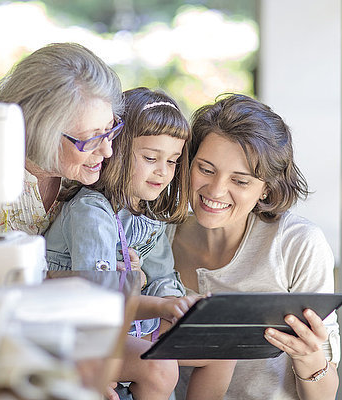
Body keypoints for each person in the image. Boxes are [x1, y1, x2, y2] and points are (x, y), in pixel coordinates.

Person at [45, 87, 235, 400]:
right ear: (116, 150)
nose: (163, 172)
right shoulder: (91, 212)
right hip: (77, 333)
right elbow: (100, 300)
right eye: (150, 158)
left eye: (173, 161)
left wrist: (176, 308)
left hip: (129, 325)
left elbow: (162, 277)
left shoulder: (150, 214)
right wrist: (161, 305)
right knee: (159, 369)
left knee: (221, 347)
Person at [169, 94, 340, 400]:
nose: (216, 190)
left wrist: (309, 358)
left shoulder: (297, 244)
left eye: (241, 180)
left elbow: (324, 396)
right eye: (206, 170)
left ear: (266, 189)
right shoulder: (157, 239)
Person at [0, 42, 123, 235]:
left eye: (109, 128)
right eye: (91, 139)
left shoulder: (95, 172)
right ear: (43, 133)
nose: (108, 151)